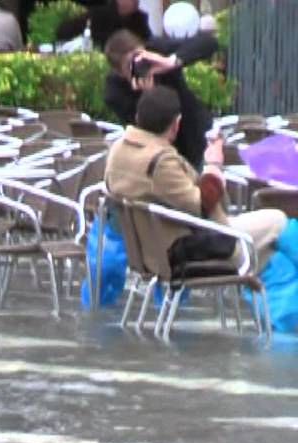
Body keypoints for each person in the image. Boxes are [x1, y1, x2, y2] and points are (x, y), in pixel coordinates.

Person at [106, 86, 286, 272]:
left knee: (274, 241)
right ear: (176, 124)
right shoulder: (160, 162)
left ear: (138, 117)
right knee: (279, 222)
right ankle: (262, 290)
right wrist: (214, 165)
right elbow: (202, 206)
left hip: (149, 251)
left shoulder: (118, 149)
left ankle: (261, 288)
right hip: (184, 252)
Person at [103, 29, 217, 171]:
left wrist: (171, 61)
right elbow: (144, 135)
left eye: (139, 57)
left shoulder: (157, 50)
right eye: (129, 66)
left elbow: (208, 42)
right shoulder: (116, 92)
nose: (139, 65)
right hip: (162, 157)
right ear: (119, 72)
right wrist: (149, 98)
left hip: (194, 132)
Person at [57, 0, 152, 50]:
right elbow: (64, 31)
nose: (136, 2)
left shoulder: (139, 18)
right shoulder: (99, 15)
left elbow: (147, 41)